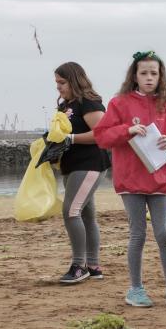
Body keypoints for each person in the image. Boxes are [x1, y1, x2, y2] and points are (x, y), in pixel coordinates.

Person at [93, 50, 166, 308]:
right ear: (134, 76)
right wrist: (127, 130)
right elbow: (102, 136)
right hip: (131, 181)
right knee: (138, 234)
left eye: (154, 73)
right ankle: (135, 289)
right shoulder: (119, 103)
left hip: (159, 180)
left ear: (161, 76)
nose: (149, 78)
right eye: (144, 73)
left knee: (164, 234)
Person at [53, 62, 111, 284]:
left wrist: (71, 138)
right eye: (56, 83)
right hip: (72, 164)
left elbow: (101, 134)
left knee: (71, 212)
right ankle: (94, 265)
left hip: (90, 163)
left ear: (75, 80)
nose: (58, 87)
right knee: (86, 215)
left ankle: (79, 265)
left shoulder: (89, 102)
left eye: (62, 82)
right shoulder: (66, 105)